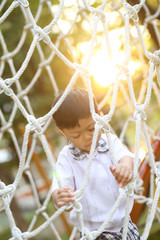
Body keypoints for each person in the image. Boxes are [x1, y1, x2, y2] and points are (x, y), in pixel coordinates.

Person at [52, 88, 140, 240]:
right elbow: (60, 187)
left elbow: (127, 157)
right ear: (63, 132)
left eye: (91, 128)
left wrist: (125, 166)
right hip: (94, 234)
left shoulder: (110, 142)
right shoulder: (66, 158)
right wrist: (59, 196)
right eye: (76, 135)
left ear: (99, 115)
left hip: (125, 225)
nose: (87, 137)